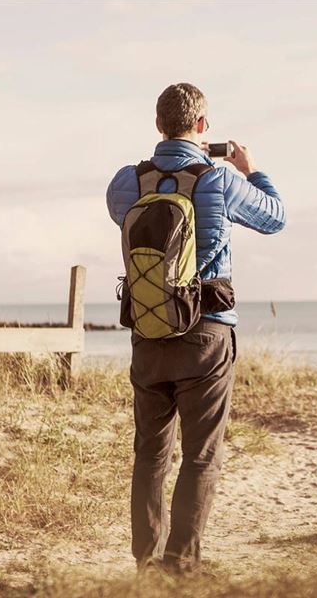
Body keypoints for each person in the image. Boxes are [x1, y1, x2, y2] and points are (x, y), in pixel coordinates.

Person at [105, 82, 286, 574]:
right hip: (206, 332)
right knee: (200, 455)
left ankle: (146, 561)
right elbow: (275, 219)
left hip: (148, 330)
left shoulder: (126, 181)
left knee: (150, 455)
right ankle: (181, 564)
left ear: (158, 124)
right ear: (203, 126)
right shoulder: (219, 178)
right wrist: (248, 169)